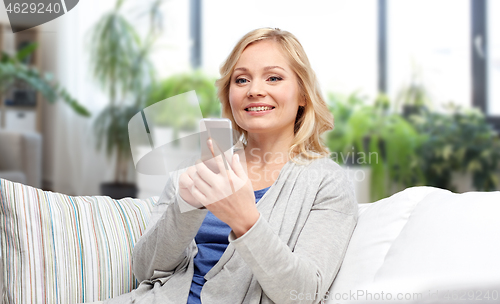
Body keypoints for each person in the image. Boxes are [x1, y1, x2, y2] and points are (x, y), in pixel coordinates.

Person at [102, 27, 358, 304]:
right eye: (241, 80)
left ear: (303, 95)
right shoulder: (195, 169)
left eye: (273, 78)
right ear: (229, 95)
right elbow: (145, 271)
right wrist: (185, 206)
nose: (254, 90)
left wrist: (246, 221)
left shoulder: (326, 181)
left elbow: (304, 294)